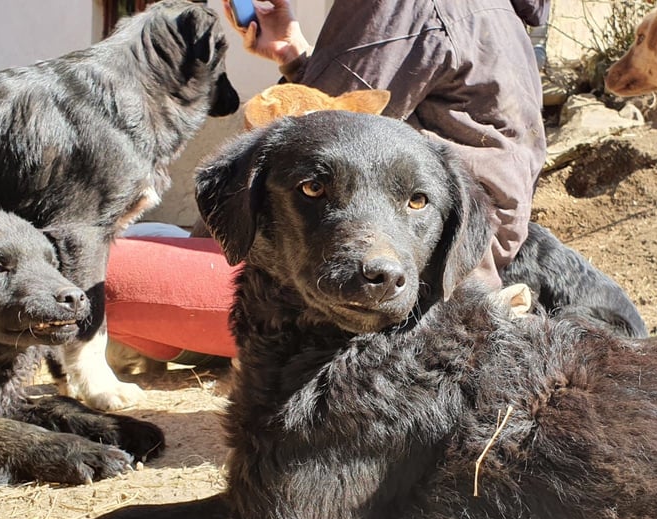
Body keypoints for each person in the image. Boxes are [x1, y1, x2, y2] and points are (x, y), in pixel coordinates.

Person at [104, 0, 549, 365]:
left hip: (417, 284)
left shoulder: (397, 3)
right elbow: (343, 124)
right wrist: (295, 56)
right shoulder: (496, 11)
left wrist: (217, 237)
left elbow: (327, 134)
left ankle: (197, 347)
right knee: (152, 243)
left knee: (104, 270)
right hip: (451, 257)